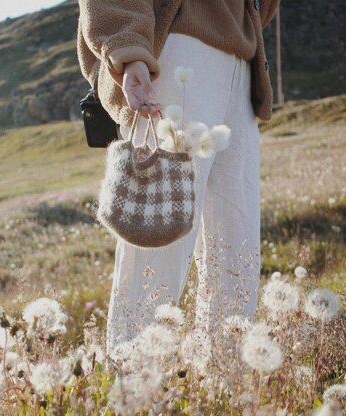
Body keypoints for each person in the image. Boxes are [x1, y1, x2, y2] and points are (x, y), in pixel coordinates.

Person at [77, 0, 280, 355]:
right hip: (178, 48)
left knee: (237, 249)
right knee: (156, 237)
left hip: (242, 60)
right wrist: (128, 46)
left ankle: (224, 390)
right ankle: (135, 388)